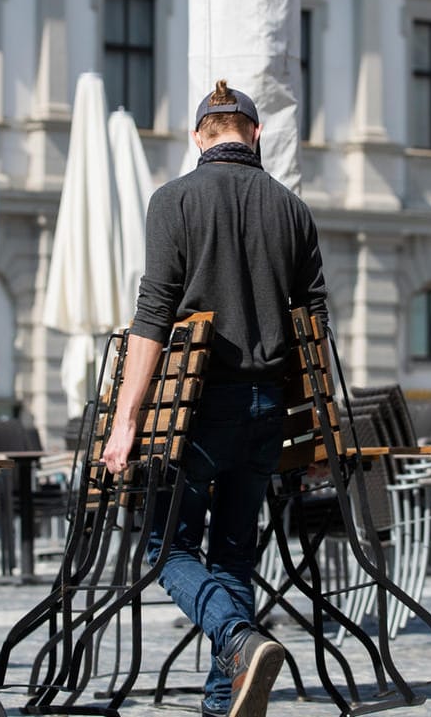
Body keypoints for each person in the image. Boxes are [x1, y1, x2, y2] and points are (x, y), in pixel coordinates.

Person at [100, 79, 329, 717]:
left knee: (164, 547)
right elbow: (316, 333)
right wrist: (316, 433)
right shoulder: (292, 209)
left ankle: (234, 638)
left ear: (200, 135)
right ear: (255, 134)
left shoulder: (172, 201)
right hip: (268, 410)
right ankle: (221, 702)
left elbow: (153, 316)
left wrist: (125, 422)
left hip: (194, 411)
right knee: (233, 551)